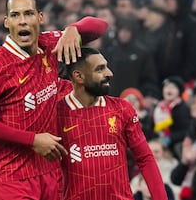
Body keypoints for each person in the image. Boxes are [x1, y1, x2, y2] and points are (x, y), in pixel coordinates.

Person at [0, 0, 108, 200]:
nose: (22, 21)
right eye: (15, 15)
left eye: (28, 13)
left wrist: (73, 29)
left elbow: (100, 26)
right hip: (11, 178)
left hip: (50, 174)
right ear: (7, 22)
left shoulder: (50, 44)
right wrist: (32, 140)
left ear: (40, 17)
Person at [57, 47, 167, 200]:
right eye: (100, 69)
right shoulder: (56, 113)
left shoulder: (122, 109)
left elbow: (145, 158)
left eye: (106, 67)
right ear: (79, 76)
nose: (109, 73)